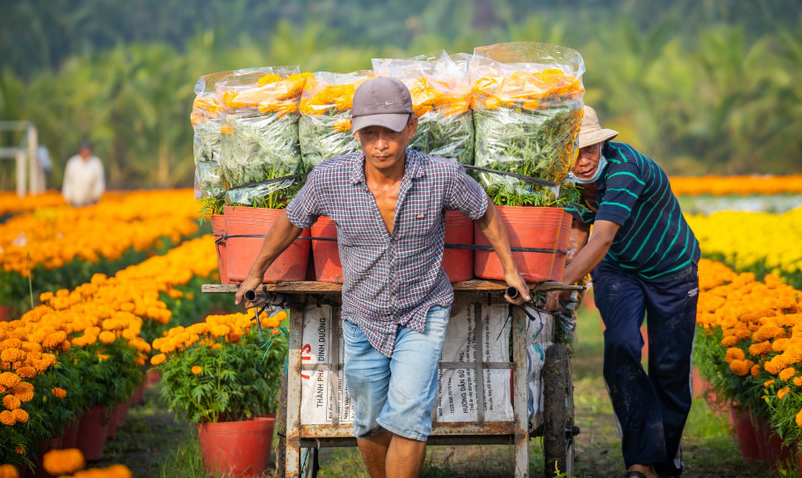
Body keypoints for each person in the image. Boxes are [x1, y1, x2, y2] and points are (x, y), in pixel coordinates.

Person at [234, 76, 531, 478]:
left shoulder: (441, 175)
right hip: (362, 315)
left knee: (409, 416)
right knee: (371, 422)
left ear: (410, 127)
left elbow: (484, 211)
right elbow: (291, 220)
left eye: (389, 132)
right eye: (369, 133)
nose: (380, 144)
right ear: (356, 133)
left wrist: (510, 269)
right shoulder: (330, 179)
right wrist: (255, 272)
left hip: (422, 311)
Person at [545, 106, 701, 478]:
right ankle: (639, 460)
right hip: (619, 269)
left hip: (672, 268)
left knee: (669, 367)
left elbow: (602, 237)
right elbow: (581, 232)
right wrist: (564, 283)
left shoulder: (626, 168)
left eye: (590, 150)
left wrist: (562, 282)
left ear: (602, 145)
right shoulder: (569, 180)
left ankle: (665, 462)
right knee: (621, 345)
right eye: (574, 151)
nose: (583, 161)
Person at [61, 142, 105, 206]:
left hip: (90, 201)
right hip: (75, 200)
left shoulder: (96, 163)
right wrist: (68, 197)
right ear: (79, 151)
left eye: (86, 150)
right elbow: (68, 181)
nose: (85, 153)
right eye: (83, 150)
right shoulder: (72, 163)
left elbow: (99, 182)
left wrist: (96, 195)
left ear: (90, 151)